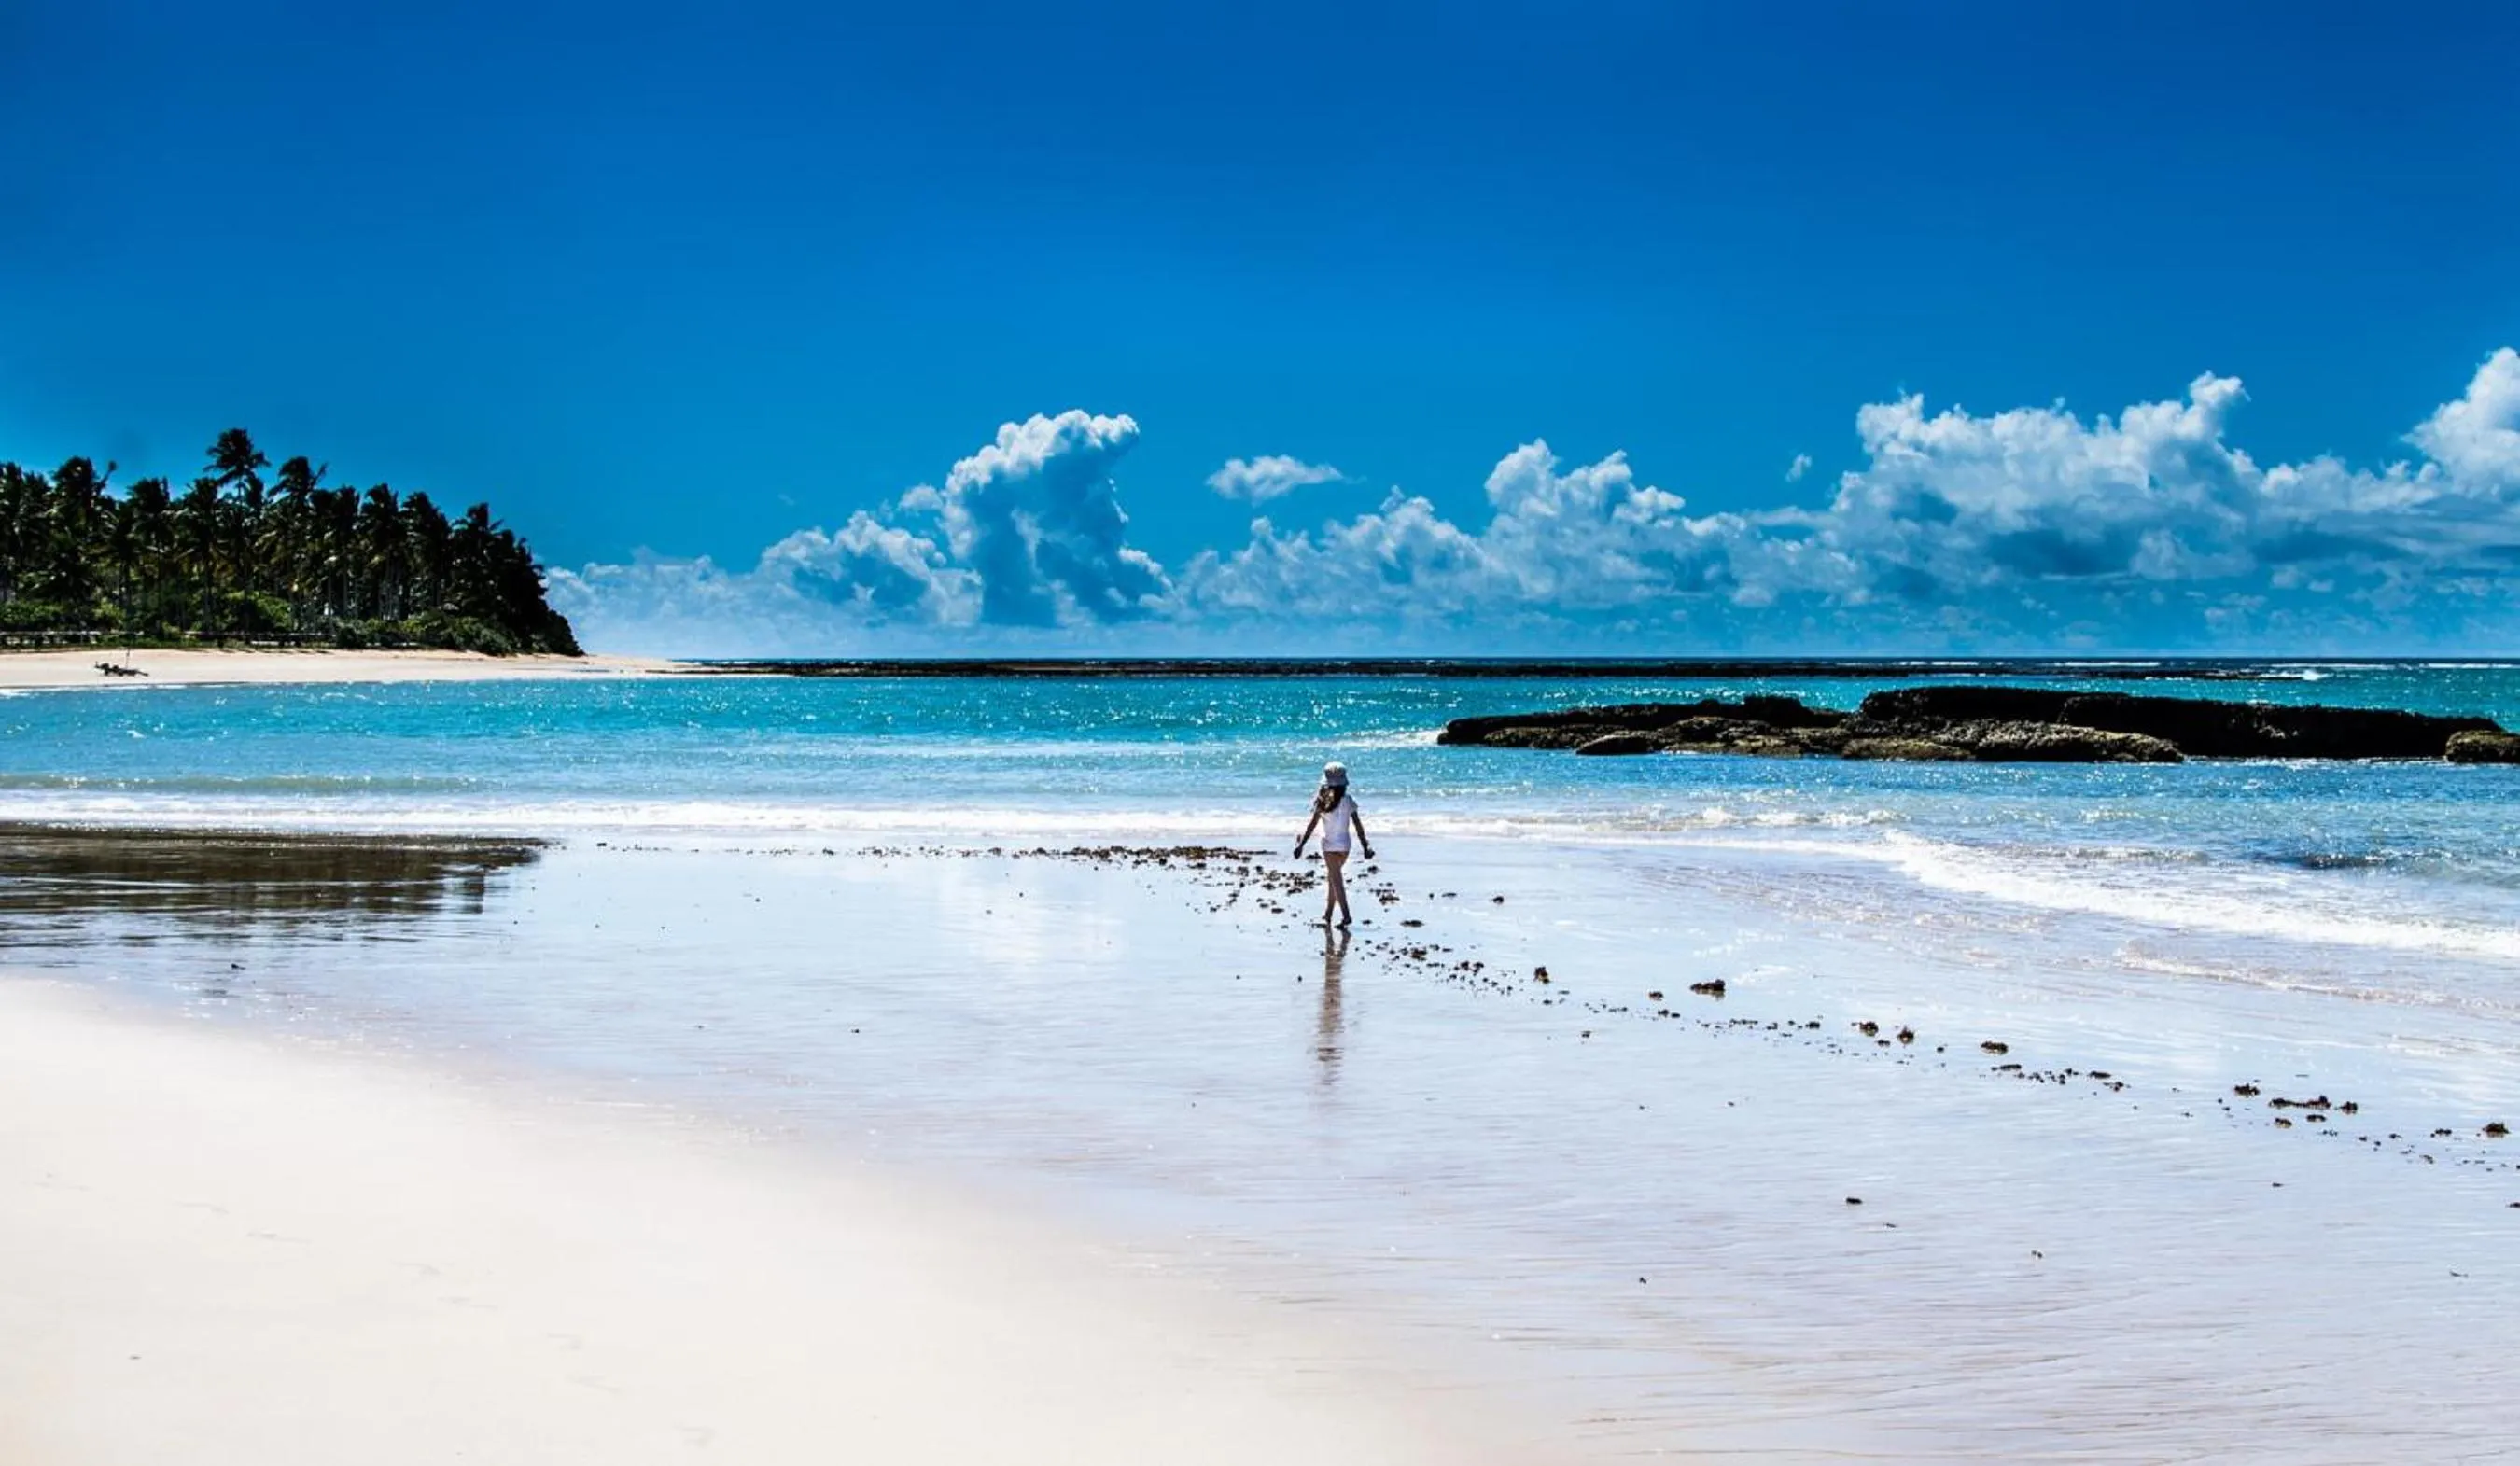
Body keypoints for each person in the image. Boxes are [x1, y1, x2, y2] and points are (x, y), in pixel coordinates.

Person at [1293, 761, 1375, 927]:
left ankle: (1346, 915)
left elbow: (1312, 825)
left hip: (1329, 846)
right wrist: (1365, 846)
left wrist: (1301, 845)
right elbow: (1358, 825)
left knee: (1336, 881)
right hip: (1345, 846)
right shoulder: (1348, 800)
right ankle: (1328, 915)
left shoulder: (1322, 802)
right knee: (1333, 879)